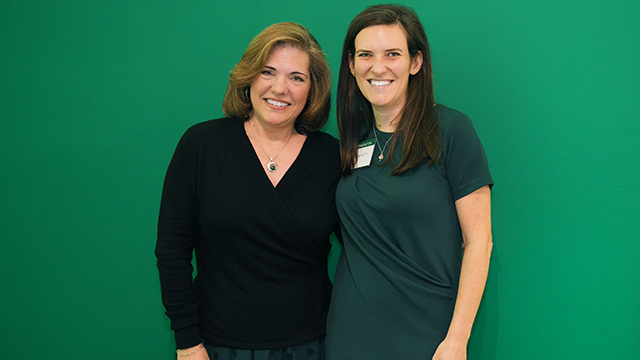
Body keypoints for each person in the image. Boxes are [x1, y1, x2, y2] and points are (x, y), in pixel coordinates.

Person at [155, 22, 340, 360]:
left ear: (313, 90)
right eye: (268, 72)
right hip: (213, 346)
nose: (280, 88)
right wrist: (187, 342)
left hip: (310, 345)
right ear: (249, 77)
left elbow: (367, 244)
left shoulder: (332, 157)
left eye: (297, 78)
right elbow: (171, 250)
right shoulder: (201, 145)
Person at [325, 4, 493, 360]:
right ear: (352, 65)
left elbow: (479, 241)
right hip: (349, 335)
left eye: (393, 54)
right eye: (365, 55)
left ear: (416, 62)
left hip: (427, 337)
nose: (378, 67)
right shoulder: (351, 138)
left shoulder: (450, 131)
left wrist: (457, 340)